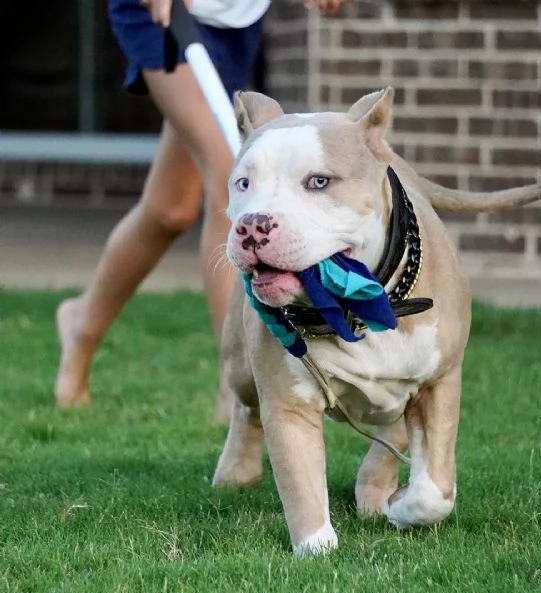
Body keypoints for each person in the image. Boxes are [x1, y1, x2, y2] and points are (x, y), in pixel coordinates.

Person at [54, 0, 348, 419]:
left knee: (169, 208)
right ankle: (239, 384)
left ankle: (81, 323)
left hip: (233, 23)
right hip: (168, 14)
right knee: (231, 176)